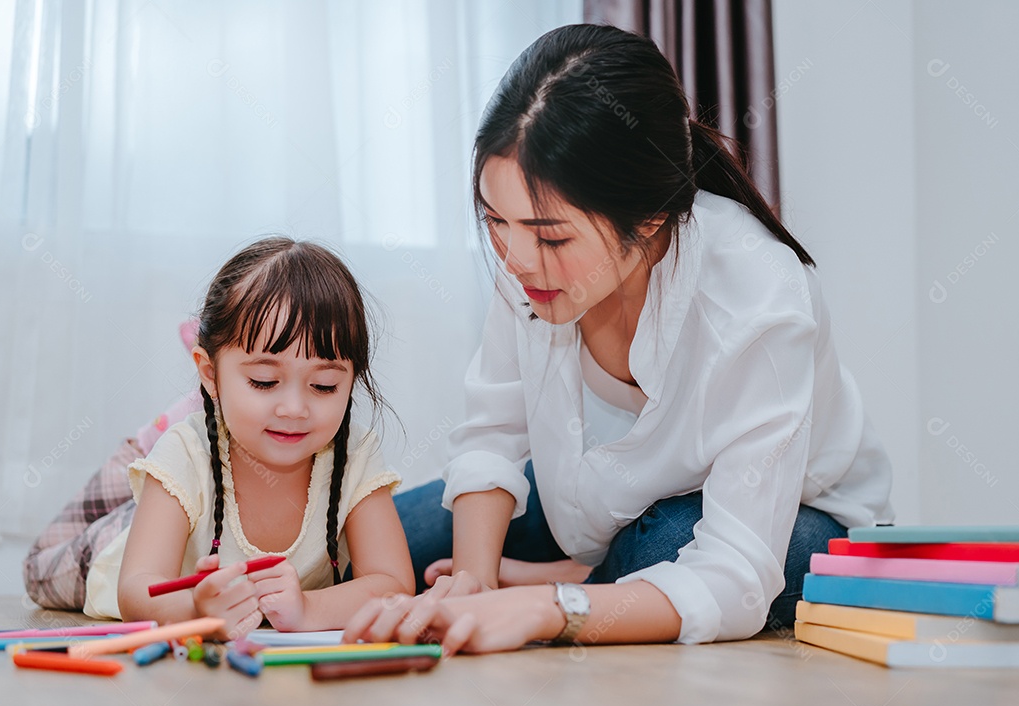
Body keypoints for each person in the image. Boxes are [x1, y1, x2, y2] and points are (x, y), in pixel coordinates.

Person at [344, 24, 893, 655]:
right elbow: (494, 432)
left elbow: (737, 571)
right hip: (595, 503)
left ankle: (579, 582)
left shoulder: (759, 297)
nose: (516, 260)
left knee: (662, 546)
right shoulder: (528, 265)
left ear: (651, 217)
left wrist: (550, 607)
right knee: (379, 542)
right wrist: (473, 581)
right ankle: (579, 575)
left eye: (550, 237)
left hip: (783, 519)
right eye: (497, 222)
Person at [27, 237, 413, 638]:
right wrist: (196, 608)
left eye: (324, 386)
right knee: (37, 570)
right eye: (264, 382)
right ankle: (139, 498)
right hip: (115, 549)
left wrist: (308, 608)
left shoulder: (355, 452)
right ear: (209, 374)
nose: (294, 409)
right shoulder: (183, 451)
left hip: (187, 498)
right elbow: (135, 590)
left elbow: (393, 582)